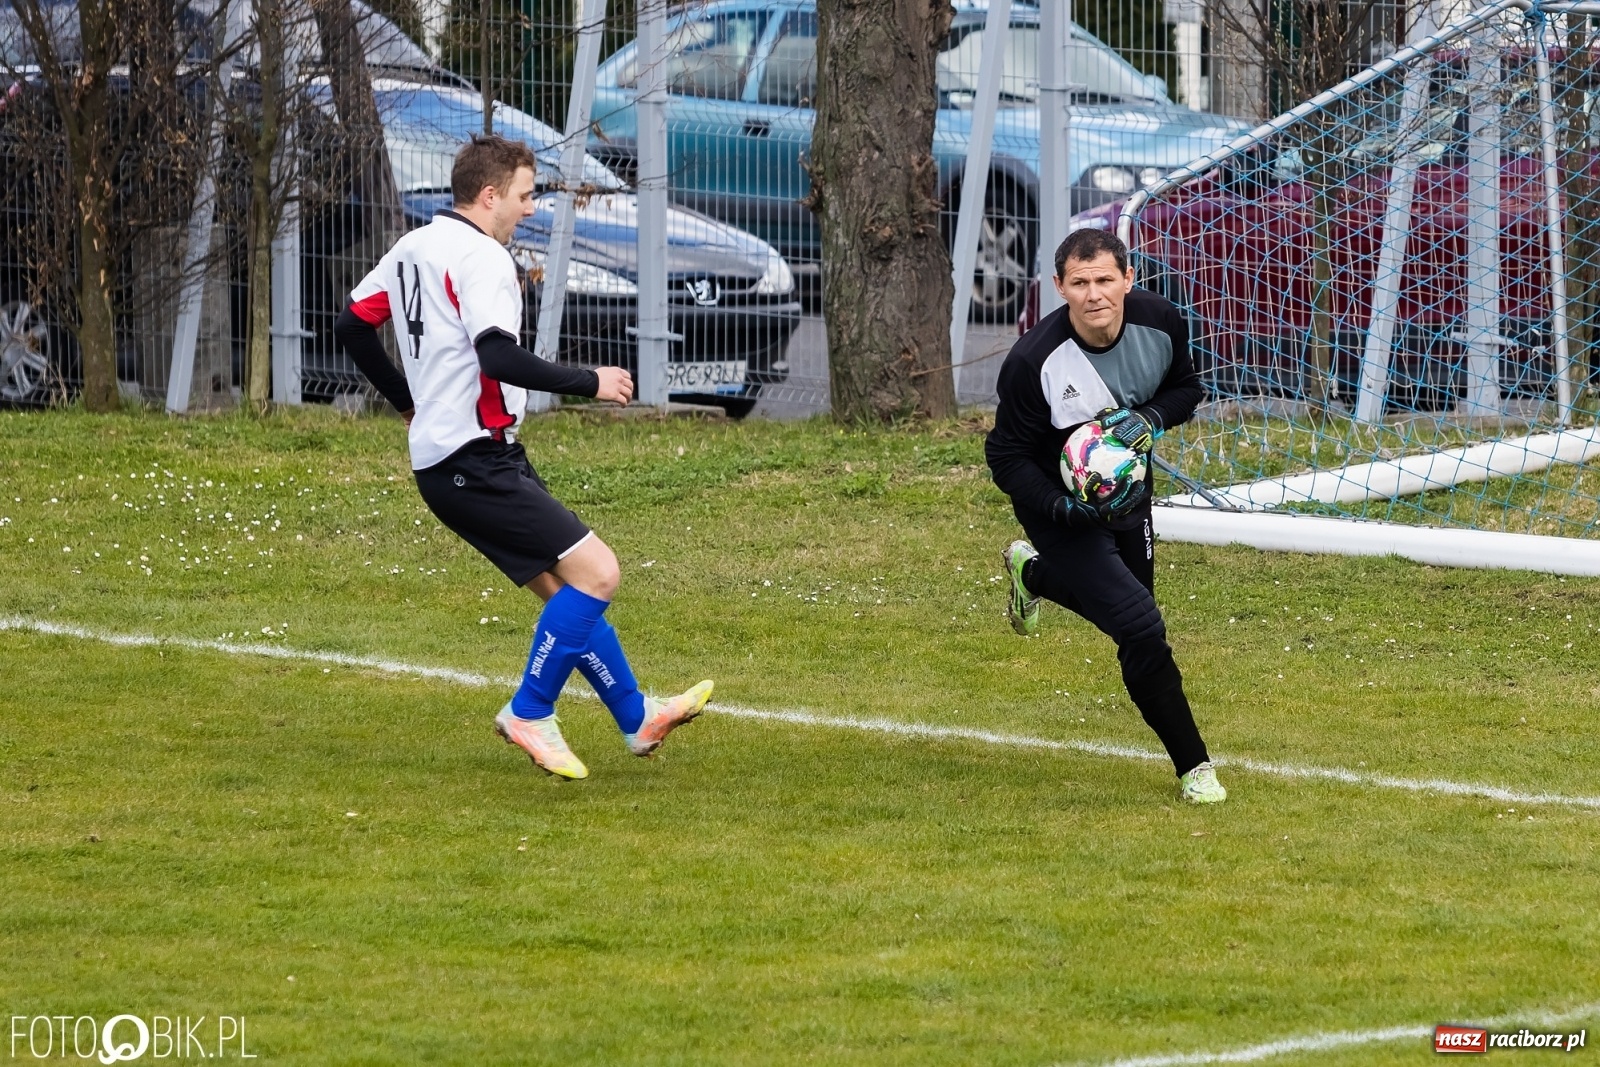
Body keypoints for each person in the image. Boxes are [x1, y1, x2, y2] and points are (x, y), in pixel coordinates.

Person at [333, 133, 711, 781]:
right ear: (489, 196)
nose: (530, 208)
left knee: (568, 594)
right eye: (524, 195)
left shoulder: (412, 245)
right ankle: (530, 710)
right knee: (599, 573)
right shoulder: (482, 259)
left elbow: (351, 324)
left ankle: (636, 715)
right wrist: (589, 381)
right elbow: (497, 356)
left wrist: (405, 401)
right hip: (472, 460)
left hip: (459, 459)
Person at [984, 228, 1225, 804]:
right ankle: (1195, 767)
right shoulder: (1032, 360)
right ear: (1060, 288)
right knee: (1141, 625)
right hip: (1055, 505)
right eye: (1080, 282)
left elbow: (1188, 389)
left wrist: (1149, 418)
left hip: (1127, 493)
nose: (1094, 294)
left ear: (1128, 279)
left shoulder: (1161, 322)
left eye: (1105, 280)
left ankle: (1033, 575)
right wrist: (1057, 508)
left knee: (1131, 622)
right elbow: (1006, 456)